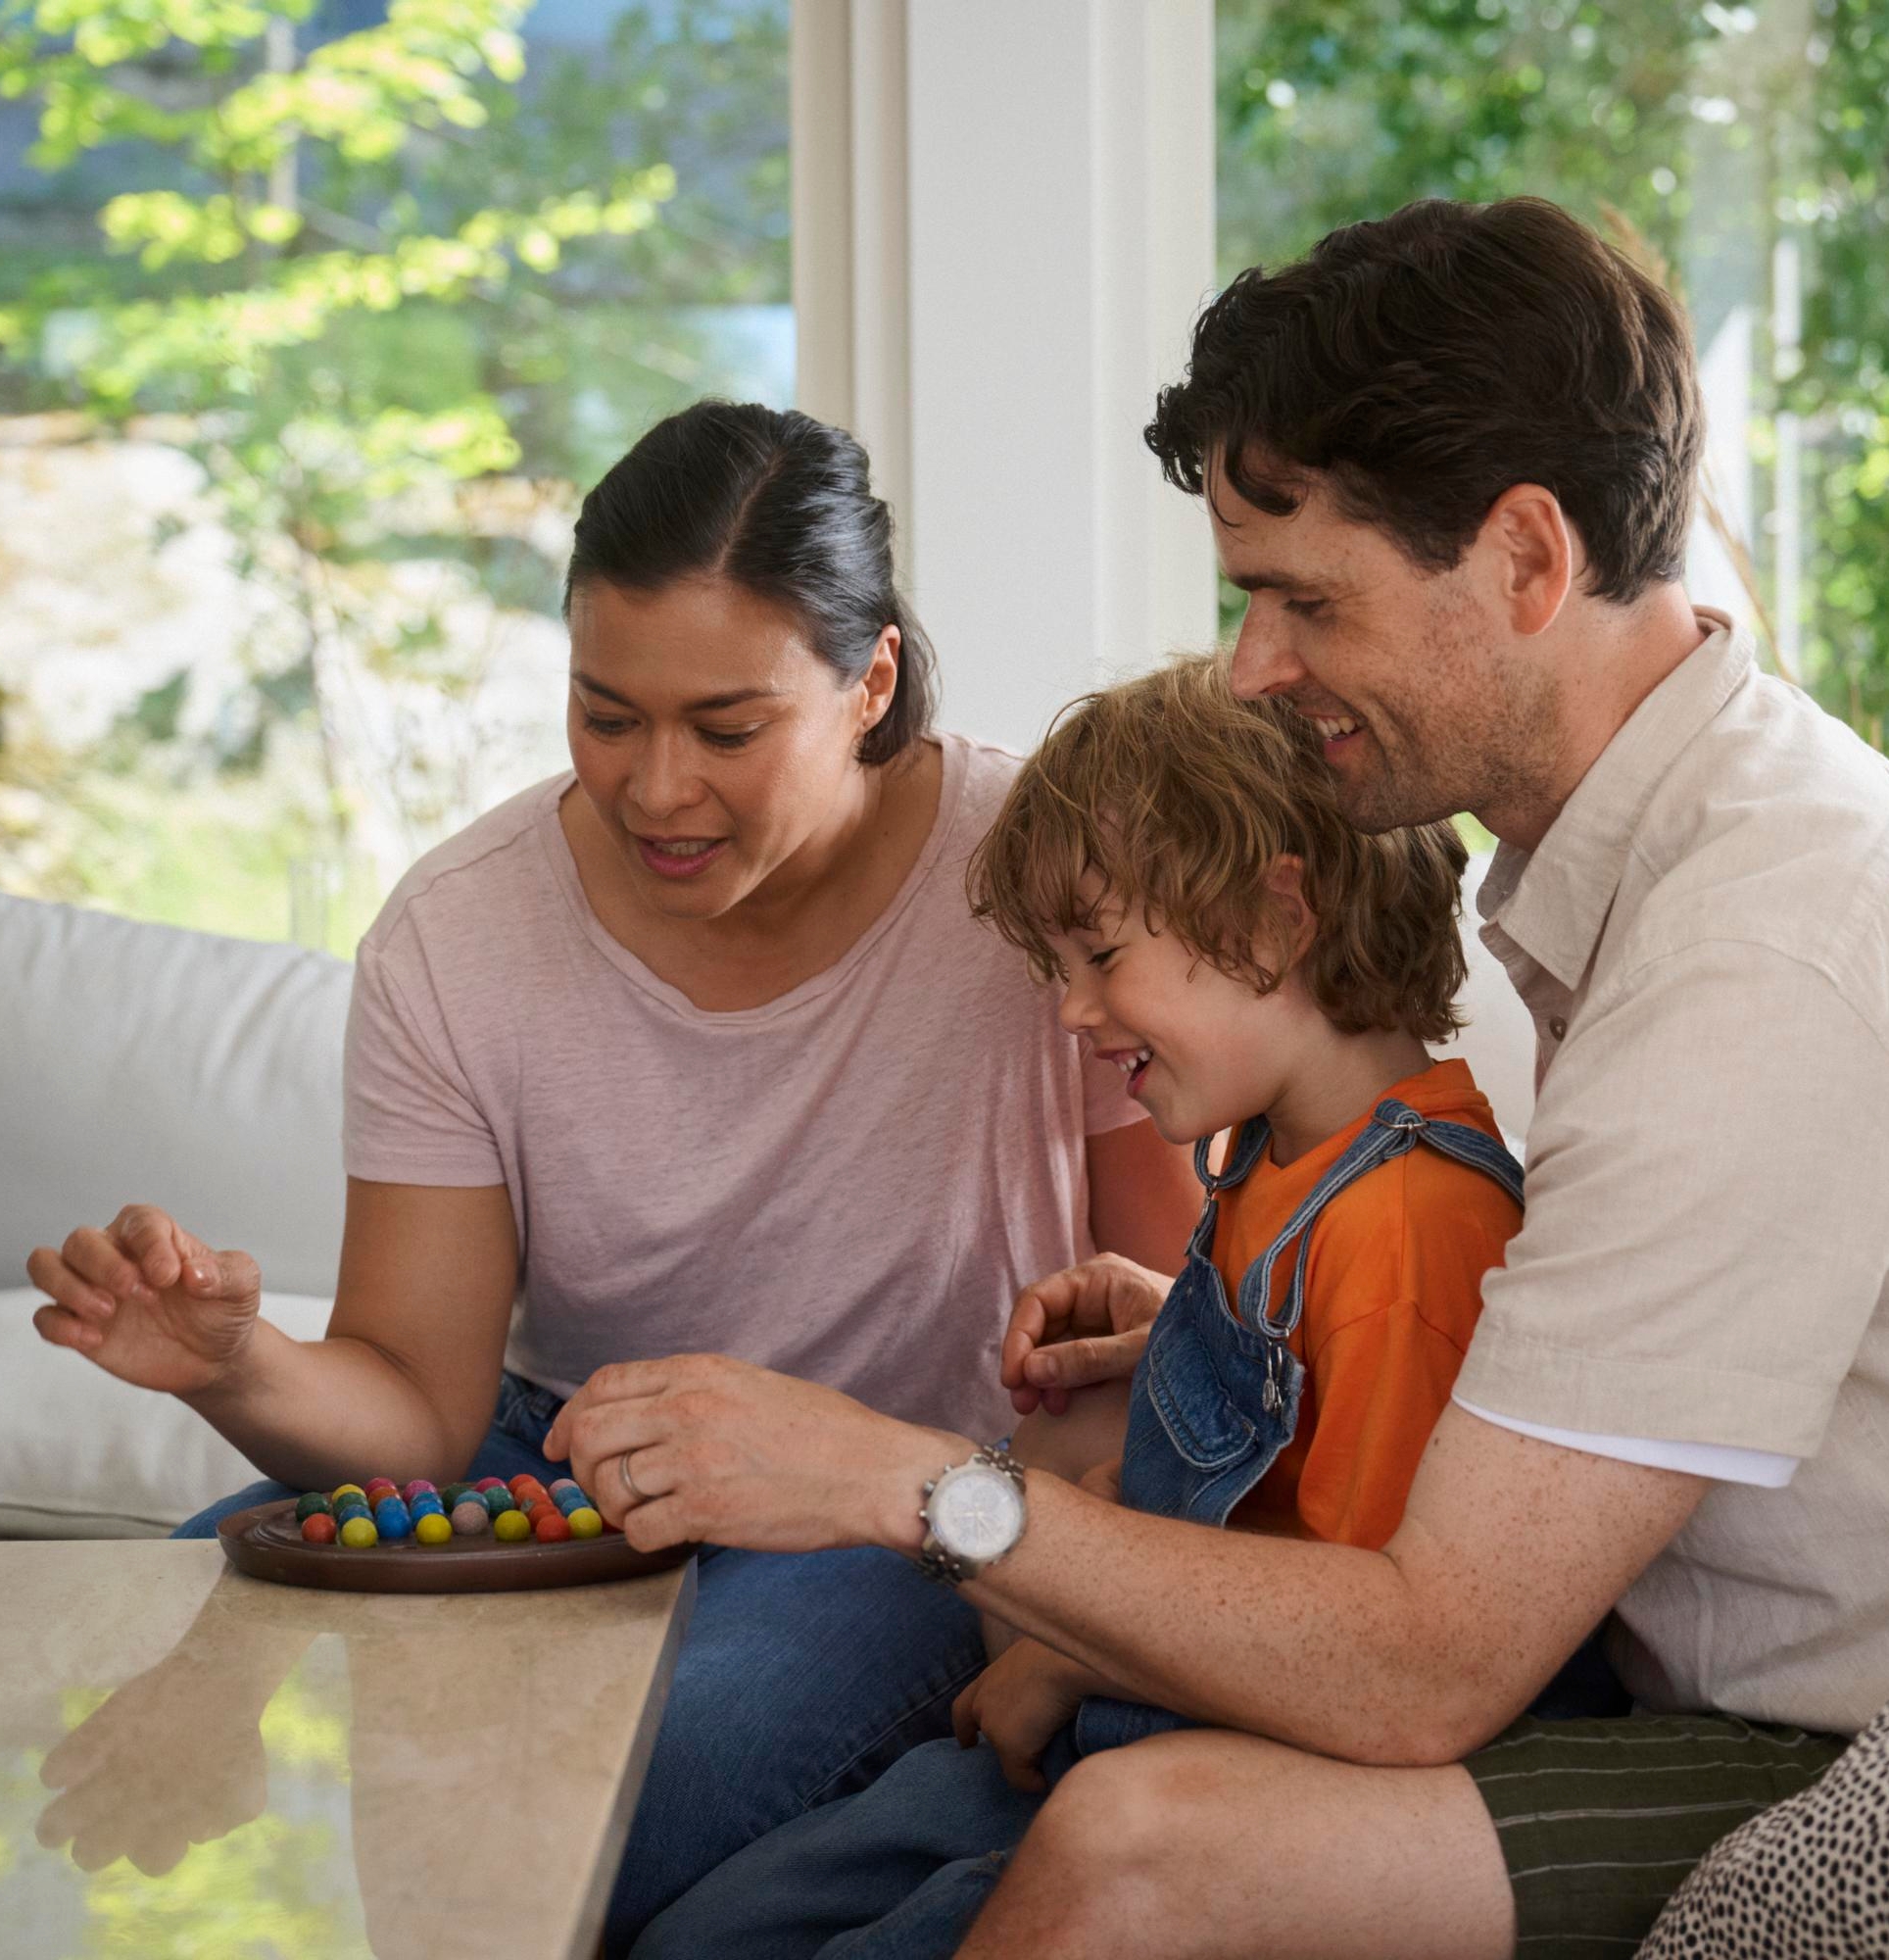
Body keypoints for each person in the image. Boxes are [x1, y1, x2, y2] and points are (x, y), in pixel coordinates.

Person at [536, 200, 1889, 1960]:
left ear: (1527, 560)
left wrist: (901, 1486)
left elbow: (1423, 1662)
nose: (1255, 668)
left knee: (1150, 1847)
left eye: (1307, 600)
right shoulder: (1702, 843)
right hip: (1820, 1687)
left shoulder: (1771, 949)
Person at [20, 400, 1201, 1946]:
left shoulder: (1042, 875)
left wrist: (1021, 1535)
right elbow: (420, 1414)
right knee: (158, 1631)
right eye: (604, 712)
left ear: (871, 684)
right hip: (563, 1463)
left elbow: (1174, 1339)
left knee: (613, 1779)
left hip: (889, 1498)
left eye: (726, 729)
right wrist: (235, 1366)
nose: (655, 790)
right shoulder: (460, 933)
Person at [631, 653, 1572, 1960]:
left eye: (1101, 954)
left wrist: (1070, 1658)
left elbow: (1342, 1638)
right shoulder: (1268, 1165)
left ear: (1274, 918)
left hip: (1216, 1777)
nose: (1071, 1011)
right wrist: (1169, 1336)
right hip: (1096, 1727)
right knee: (704, 1934)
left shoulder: (1410, 1223)